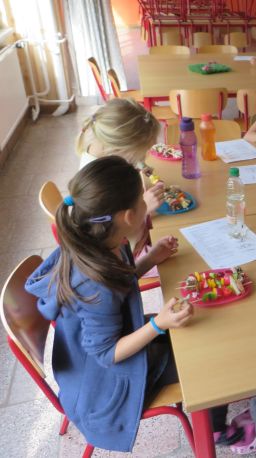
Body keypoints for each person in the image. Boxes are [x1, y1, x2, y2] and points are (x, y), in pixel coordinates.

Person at [24, 156, 193, 452]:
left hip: (93, 356)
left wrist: (148, 260)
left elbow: (119, 284)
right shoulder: (95, 283)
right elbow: (106, 353)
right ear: (128, 216)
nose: (146, 201)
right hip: (104, 385)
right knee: (200, 358)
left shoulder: (101, 239)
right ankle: (218, 428)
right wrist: (158, 325)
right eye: (142, 198)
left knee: (192, 333)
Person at [76, 98, 165, 215]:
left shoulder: (101, 152)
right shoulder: (97, 186)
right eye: (139, 155)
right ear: (118, 149)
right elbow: (114, 224)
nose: (142, 158)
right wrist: (144, 208)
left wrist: (139, 165)